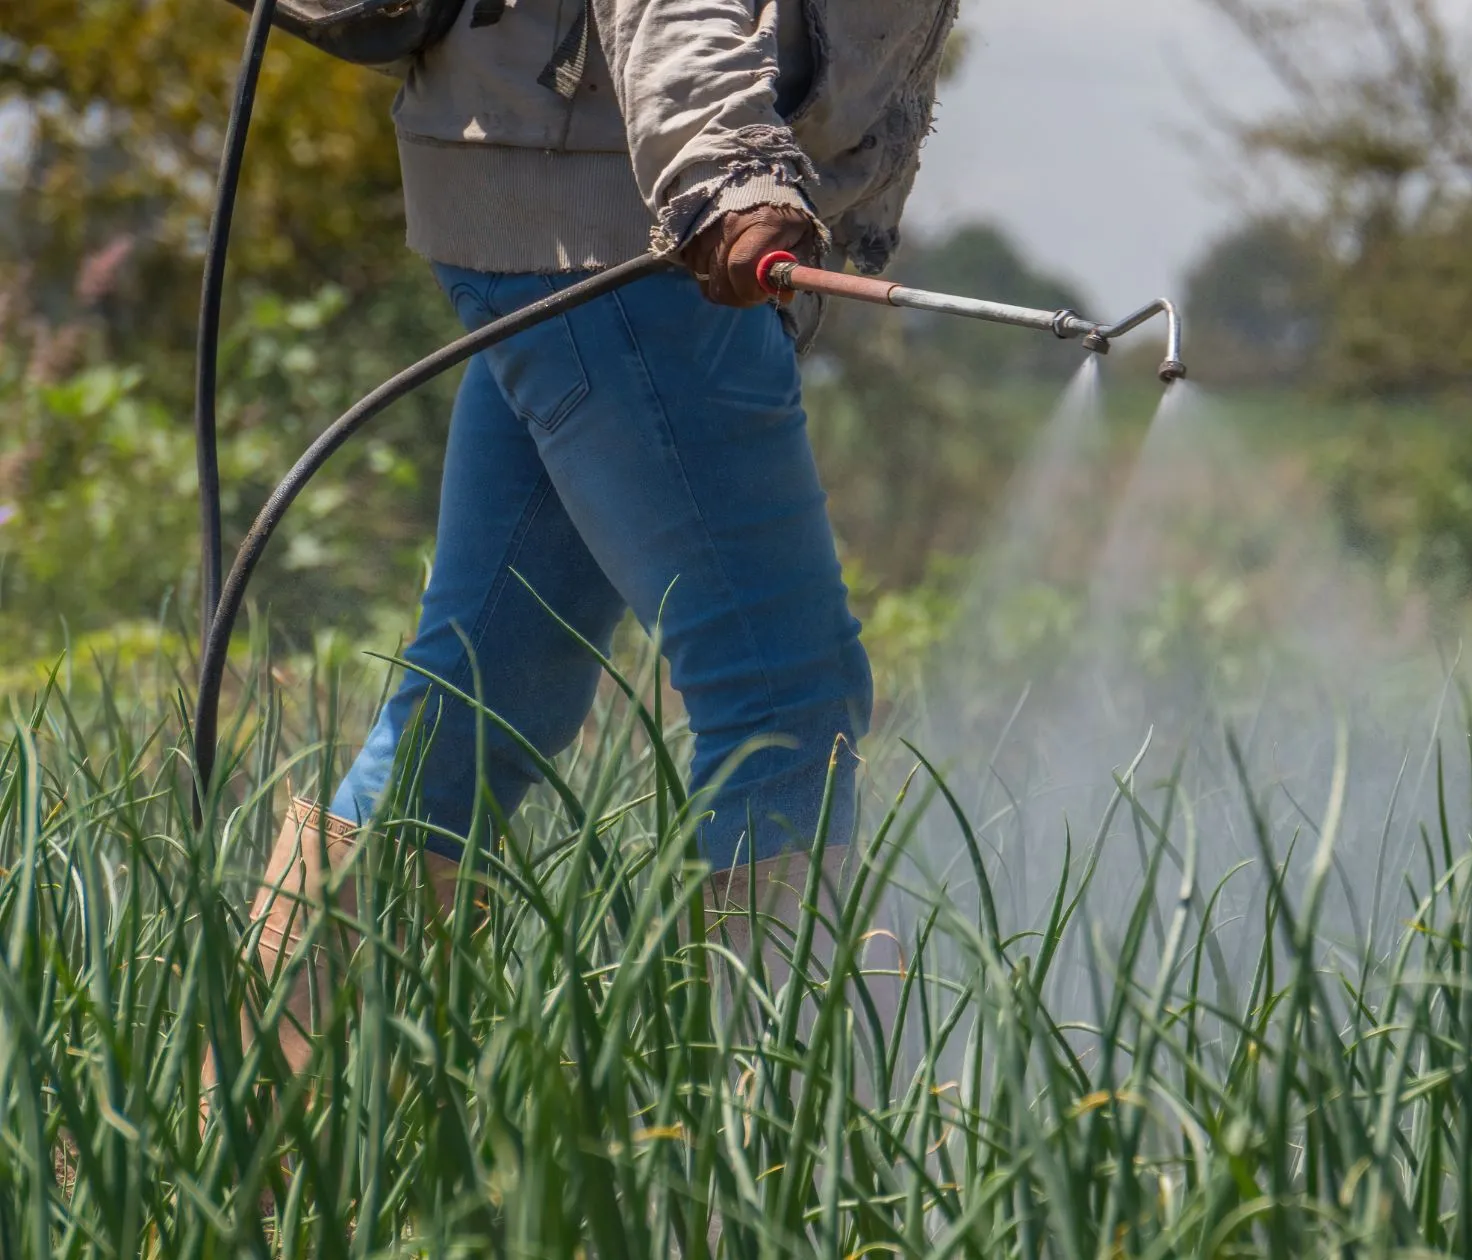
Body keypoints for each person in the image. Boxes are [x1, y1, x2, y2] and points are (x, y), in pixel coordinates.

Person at [252, 0, 952, 1068]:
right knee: (786, 702)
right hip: (626, 229)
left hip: (552, 195)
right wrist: (727, 177)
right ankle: (799, 1181)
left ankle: (248, 1142)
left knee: (480, 699)